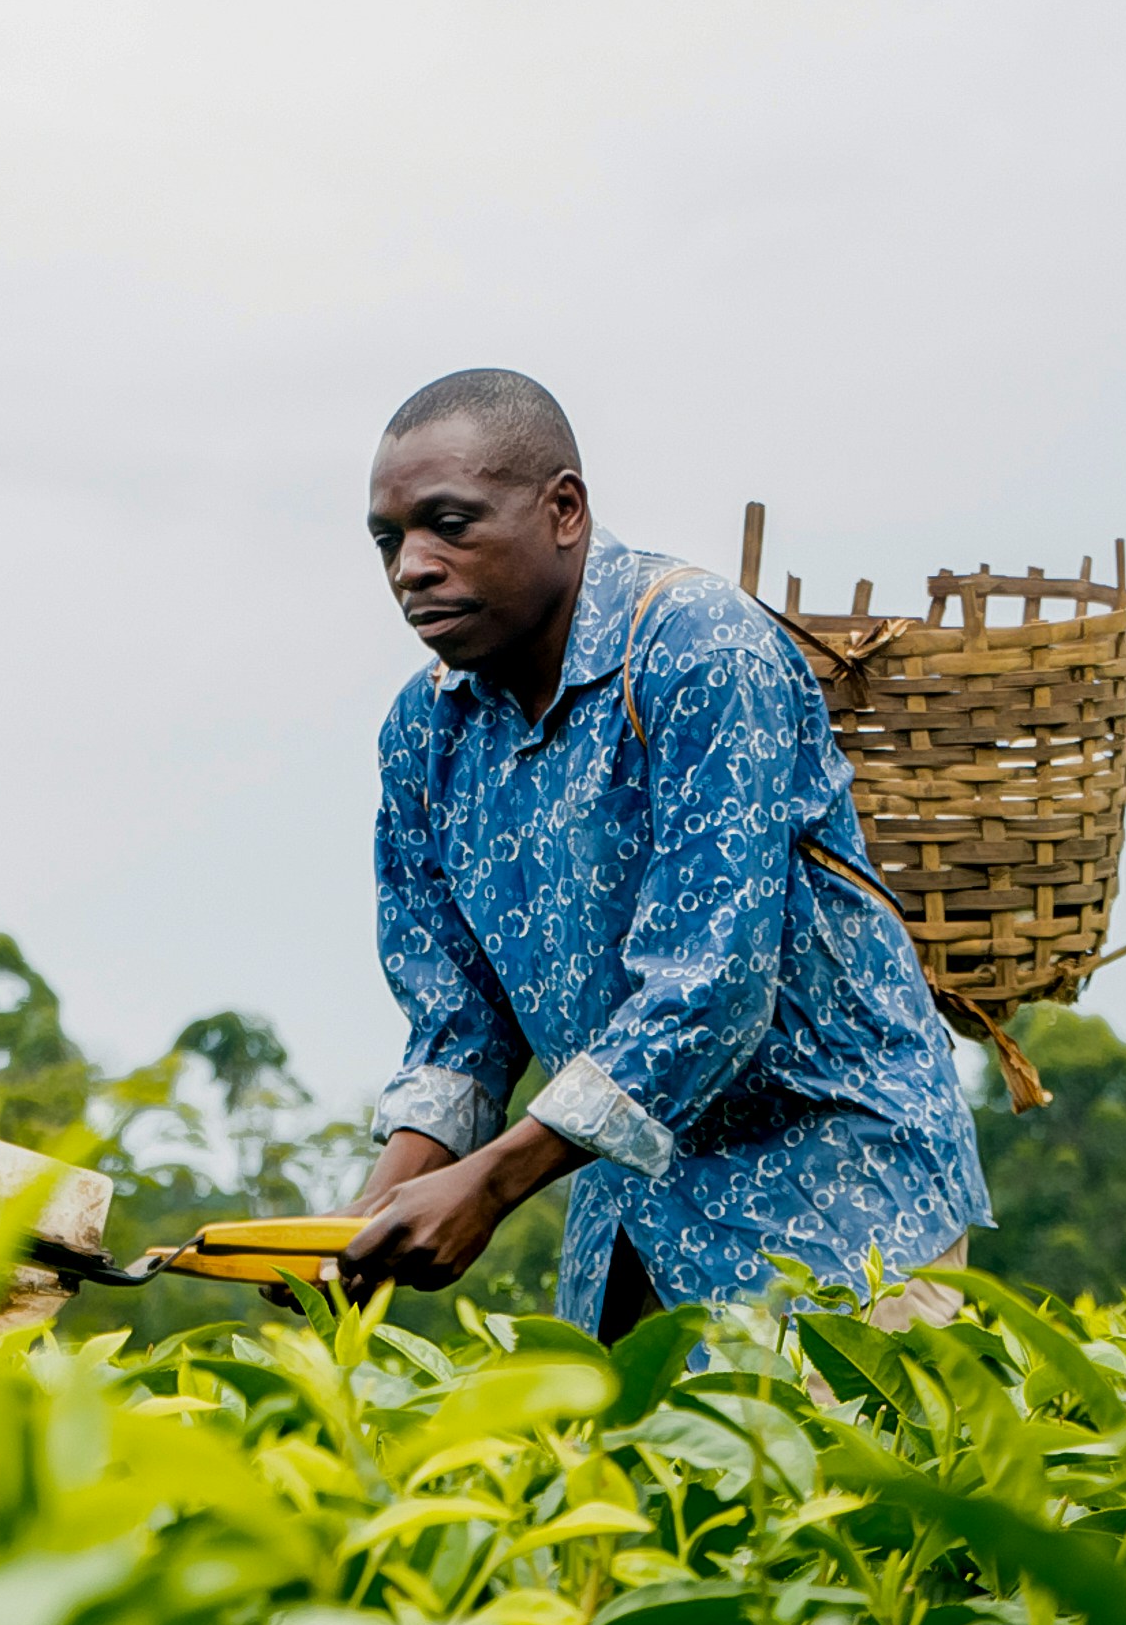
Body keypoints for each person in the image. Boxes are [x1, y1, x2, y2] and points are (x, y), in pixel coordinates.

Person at [333, 369, 986, 1342]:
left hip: (836, 1207)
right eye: (389, 540)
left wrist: (493, 1182)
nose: (411, 566)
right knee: (646, 1495)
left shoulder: (698, 653)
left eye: (449, 524)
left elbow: (710, 987)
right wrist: (361, 1220)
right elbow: (460, 1029)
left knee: (822, 1489)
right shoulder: (425, 735)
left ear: (563, 510)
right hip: (631, 1220)